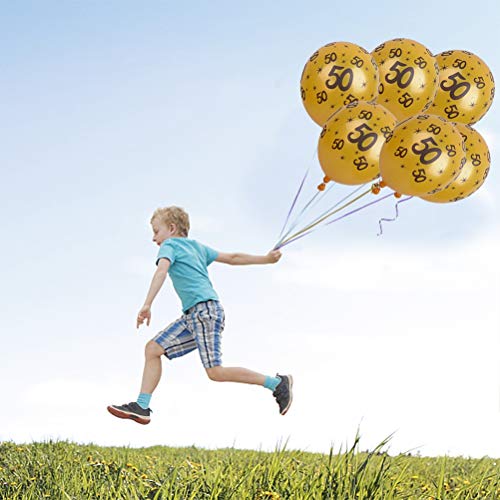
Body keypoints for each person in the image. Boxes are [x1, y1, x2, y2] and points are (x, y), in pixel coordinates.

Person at [107, 206, 293, 425]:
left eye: (156, 231)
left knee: (215, 372)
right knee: (153, 348)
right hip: (194, 315)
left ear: (172, 228)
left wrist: (147, 304)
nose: (153, 238)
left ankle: (276, 383)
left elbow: (161, 271)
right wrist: (266, 259)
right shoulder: (198, 247)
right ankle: (142, 406)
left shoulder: (170, 245)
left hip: (204, 312)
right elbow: (232, 257)